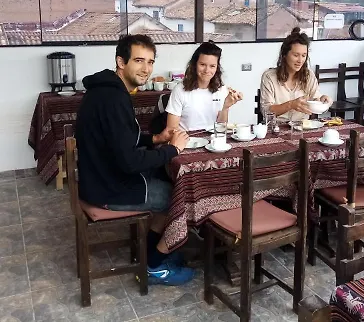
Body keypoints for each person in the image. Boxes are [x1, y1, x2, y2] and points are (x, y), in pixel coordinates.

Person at [76, 34, 194, 286]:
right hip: (107, 187)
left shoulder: (107, 90)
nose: (146, 69)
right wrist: (173, 150)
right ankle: (153, 265)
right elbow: (129, 162)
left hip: (99, 176)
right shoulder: (113, 99)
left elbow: (121, 139)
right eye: (139, 60)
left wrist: (155, 139)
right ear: (121, 62)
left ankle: (150, 253)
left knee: (165, 178)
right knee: (176, 197)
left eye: (150, 62)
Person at [166, 41, 243, 131]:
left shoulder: (222, 90)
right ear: (195, 65)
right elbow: (172, 129)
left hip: (212, 138)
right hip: (187, 138)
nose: (207, 70)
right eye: (202, 65)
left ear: (217, 67)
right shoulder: (179, 90)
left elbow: (220, 129)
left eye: (212, 66)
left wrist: (226, 106)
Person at [260, 27, 333, 122]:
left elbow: (316, 99)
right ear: (284, 55)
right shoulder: (269, 77)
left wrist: (323, 100)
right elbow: (266, 111)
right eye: (296, 55)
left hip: (302, 126)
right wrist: (291, 105)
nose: (300, 60)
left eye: (303, 55)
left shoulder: (309, 76)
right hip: (276, 127)